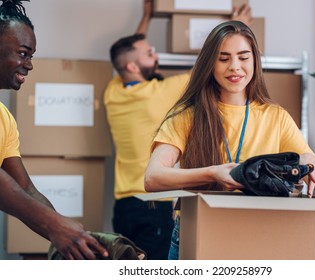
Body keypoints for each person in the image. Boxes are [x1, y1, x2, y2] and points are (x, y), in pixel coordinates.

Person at [144, 20, 315, 260]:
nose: (235, 67)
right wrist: (213, 173)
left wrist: (310, 163)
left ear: (255, 61)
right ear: (210, 64)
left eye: (243, 57)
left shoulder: (276, 117)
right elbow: (152, 178)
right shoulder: (187, 116)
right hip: (200, 231)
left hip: (259, 235)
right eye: (223, 59)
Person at [104, 0, 253, 259]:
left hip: (123, 206)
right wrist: (240, 34)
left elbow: (130, 50)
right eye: (150, 53)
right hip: (154, 203)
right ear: (133, 67)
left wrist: (146, 17)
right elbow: (212, 66)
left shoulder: (113, 91)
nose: (156, 55)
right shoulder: (161, 93)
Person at [0, 0, 108, 260]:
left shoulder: (5, 119)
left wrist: (76, 237)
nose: (29, 64)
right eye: (23, 53)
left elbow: (25, 188)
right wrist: (55, 225)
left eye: (31, 56)